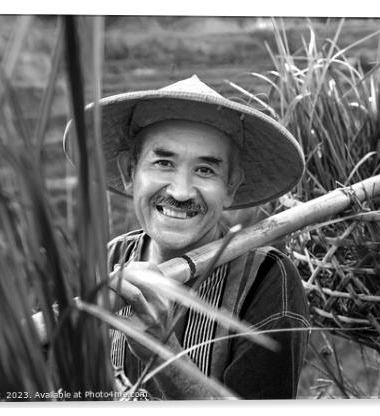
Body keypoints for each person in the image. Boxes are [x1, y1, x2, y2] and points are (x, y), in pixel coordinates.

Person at [66, 75, 310, 400]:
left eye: (205, 170)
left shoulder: (267, 279)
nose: (180, 192)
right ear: (129, 172)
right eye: (163, 163)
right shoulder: (104, 263)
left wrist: (163, 353)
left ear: (231, 187)